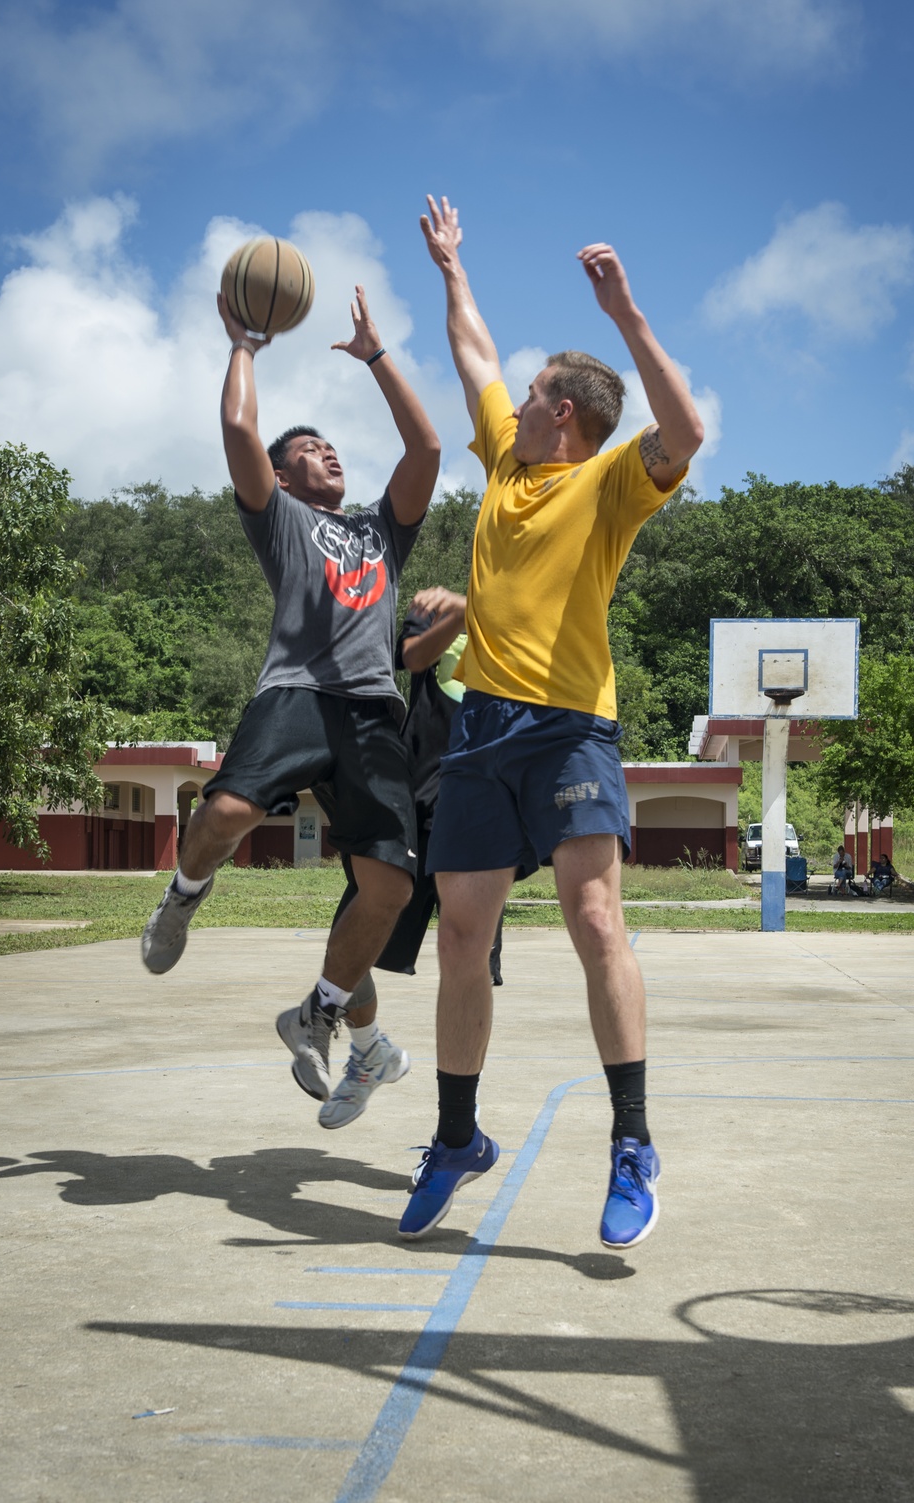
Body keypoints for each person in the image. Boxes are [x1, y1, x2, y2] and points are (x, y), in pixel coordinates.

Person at [399, 196, 704, 1248]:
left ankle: (631, 1146)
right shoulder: (504, 464)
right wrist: (450, 267)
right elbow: (471, 348)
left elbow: (686, 430)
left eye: (531, 395)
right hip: (481, 729)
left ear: (562, 414)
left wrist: (625, 318)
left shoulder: (611, 483)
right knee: (463, 936)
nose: (513, 399)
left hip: (572, 727)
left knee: (593, 919)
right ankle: (454, 1139)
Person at [141, 283, 440, 1130]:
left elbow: (425, 445)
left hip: (373, 714)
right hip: (299, 693)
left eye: (331, 443)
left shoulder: (382, 531)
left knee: (386, 886)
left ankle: (318, 1013)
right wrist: (245, 345)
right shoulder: (281, 521)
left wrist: (377, 355)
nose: (328, 452)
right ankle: (184, 894)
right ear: (281, 475)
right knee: (230, 805)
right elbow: (239, 432)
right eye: (309, 447)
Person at [332, 586, 503, 1000]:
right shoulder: (433, 610)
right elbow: (407, 657)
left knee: (470, 953)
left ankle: (463, 1060)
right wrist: (462, 615)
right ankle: (356, 1032)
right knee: (358, 935)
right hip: (419, 793)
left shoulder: (513, 621)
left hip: (480, 798)